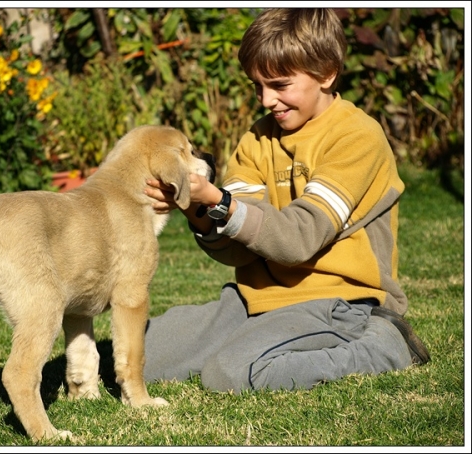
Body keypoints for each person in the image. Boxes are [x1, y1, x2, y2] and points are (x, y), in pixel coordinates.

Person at [142, 8, 430, 394]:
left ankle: (384, 347)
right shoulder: (256, 140)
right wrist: (196, 207)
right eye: (257, 86)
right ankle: (254, 339)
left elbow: (299, 239)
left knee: (230, 374)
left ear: (327, 73)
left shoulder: (356, 136)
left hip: (341, 302)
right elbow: (239, 251)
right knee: (132, 356)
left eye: (279, 84)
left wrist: (219, 200)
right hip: (254, 299)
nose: (266, 100)